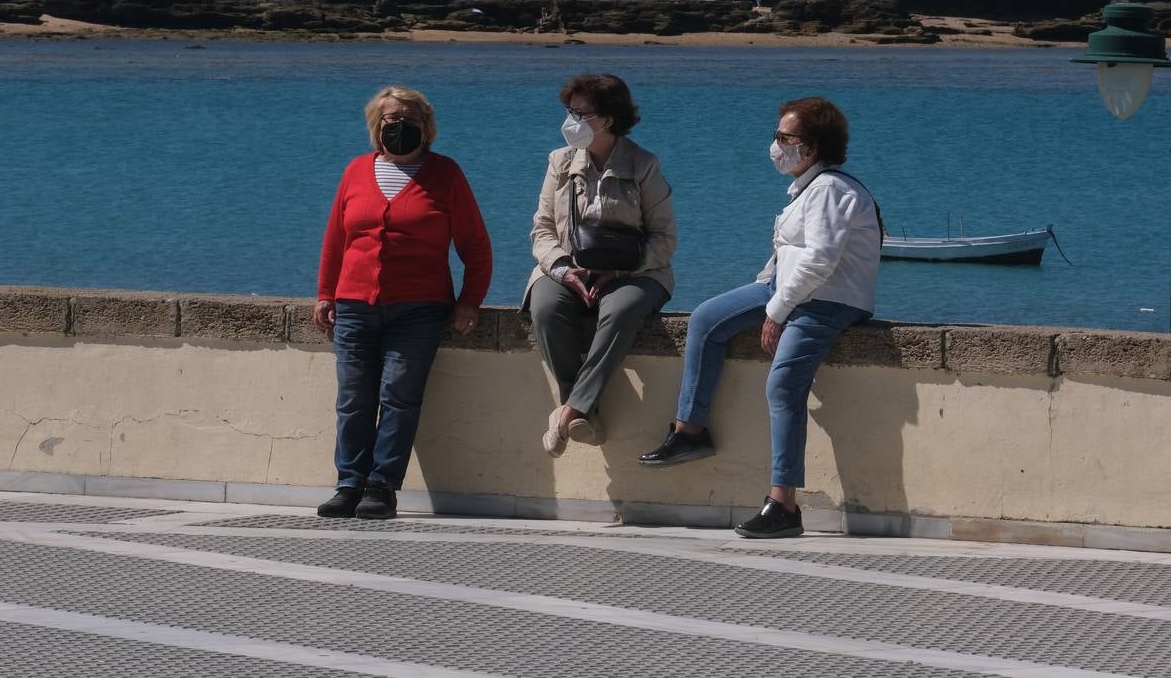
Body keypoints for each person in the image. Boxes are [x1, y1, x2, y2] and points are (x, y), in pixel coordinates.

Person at [638, 97, 882, 539]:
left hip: (828, 300)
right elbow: (786, 255)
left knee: (783, 385)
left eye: (783, 138)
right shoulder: (807, 188)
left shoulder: (830, 190)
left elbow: (820, 263)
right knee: (707, 320)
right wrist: (765, 288)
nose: (775, 145)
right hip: (787, 290)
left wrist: (775, 312)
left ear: (810, 148)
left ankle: (783, 504)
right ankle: (690, 430)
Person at [314, 85, 493, 520]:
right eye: (390, 120)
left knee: (399, 395)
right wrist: (325, 294)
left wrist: (469, 301)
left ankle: (382, 486)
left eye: (408, 120)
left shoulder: (446, 175)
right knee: (354, 398)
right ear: (377, 126)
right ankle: (349, 483)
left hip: (420, 309)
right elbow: (336, 240)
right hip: (356, 304)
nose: (398, 127)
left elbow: (476, 246)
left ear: (425, 127)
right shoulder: (356, 171)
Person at [526, 73, 677, 457]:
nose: (569, 120)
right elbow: (542, 229)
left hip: (636, 272)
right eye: (568, 111)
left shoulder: (644, 165)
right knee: (544, 307)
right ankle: (584, 411)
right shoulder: (559, 162)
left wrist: (620, 272)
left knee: (621, 308)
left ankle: (567, 413)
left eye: (579, 113)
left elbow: (664, 239)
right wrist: (563, 270)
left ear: (607, 119)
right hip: (568, 266)